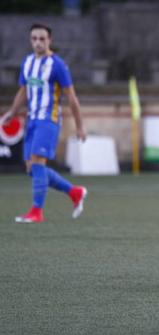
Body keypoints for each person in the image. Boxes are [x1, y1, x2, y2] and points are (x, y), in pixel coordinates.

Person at [0, 23, 87, 224]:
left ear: (50, 40)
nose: (38, 42)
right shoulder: (28, 62)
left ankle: (36, 212)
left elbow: (72, 98)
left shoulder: (57, 65)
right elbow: (23, 90)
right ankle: (74, 192)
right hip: (31, 119)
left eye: (42, 39)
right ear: (30, 40)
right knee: (32, 168)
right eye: (34, 39)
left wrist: (80, 126)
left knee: (38, 163)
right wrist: (12, 113)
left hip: (49, 120)